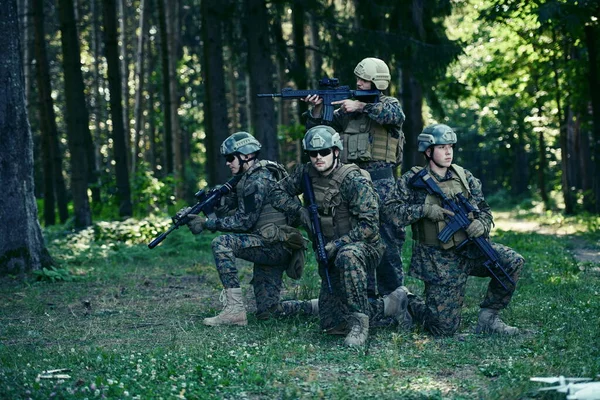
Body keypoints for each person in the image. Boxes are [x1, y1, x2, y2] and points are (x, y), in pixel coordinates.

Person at [270, 125, 411, 347]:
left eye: (324, 152)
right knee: (331, 323)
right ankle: (391, 304)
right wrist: (299, 211)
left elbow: (369, 227)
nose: (318, 157)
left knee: (348, 255)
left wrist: (338, 244)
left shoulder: (354, 180)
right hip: (329, 252)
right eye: (313, 153)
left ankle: (360, 324)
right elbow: (275, 192)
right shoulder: (305, 174)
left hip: (363, 248)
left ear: (336, 151)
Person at [382, 123, 525, 336]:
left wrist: (482, 223)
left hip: (470, 249)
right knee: (442, 329)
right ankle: (406, 301)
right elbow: (389, 212)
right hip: (438, 259)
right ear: (428, 151)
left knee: (511, 262)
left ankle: (489, 318)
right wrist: (424, 210)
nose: (448, 152)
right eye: (441, 147)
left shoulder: (464, 177)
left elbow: (484, 210)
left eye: (450, 146)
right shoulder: (413, 181)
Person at [303, 57, 406, 300]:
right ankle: (367, 298)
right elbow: (321, 130)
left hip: (382, 184)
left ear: (376, 83)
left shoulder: (387, 104)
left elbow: (394, 115)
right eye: (358, 78)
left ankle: (394, 297)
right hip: (352, 184)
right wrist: (317, 109)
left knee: (388, 240)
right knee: (358, 236)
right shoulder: (346, 111)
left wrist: (360, 106)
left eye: (364, 80)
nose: (358, 82)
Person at [183, 132, 310, 326]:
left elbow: (243, 222)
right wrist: (196, 213)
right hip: (273, 244)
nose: (227, 163)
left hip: (274, 245)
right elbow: (228, 211)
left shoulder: (257, 181)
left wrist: (206, 224)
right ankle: (318, 306)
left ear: (246, 155)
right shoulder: (246, 179)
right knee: (269, 311)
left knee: (221, 244)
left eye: (230, 158)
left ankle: (234, 311)